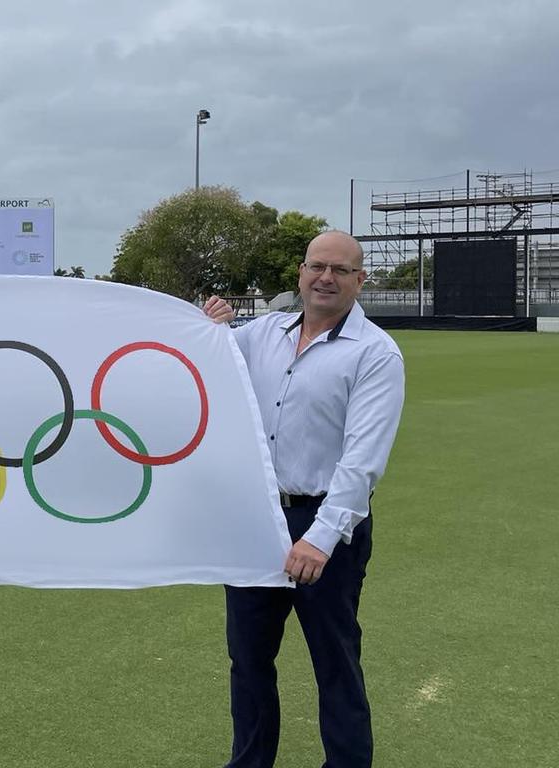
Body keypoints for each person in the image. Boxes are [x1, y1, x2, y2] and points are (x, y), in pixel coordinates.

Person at [203, 230, 405, 768]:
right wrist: (211, 323)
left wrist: (318, 538)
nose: (326, 278)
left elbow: (362, 460)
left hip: (325, 524)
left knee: (334, 660)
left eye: (341, 270)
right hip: (257, 519)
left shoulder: (376, 354)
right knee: (247, 661)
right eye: (318, 266)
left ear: (360, 280)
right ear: (301, 272)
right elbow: (206, 360)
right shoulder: (261, 333)